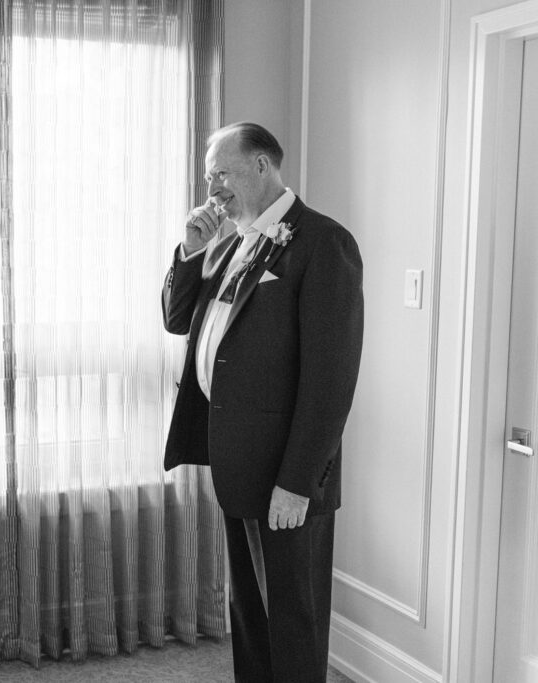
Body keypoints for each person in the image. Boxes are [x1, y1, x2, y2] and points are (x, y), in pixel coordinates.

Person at [162, 122, 363, 682]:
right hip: (237, 461)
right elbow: (177, 319)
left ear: (261, 167)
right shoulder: (230, 242)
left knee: (291, 620)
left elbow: (331, 380)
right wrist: (189, 249)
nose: (214, 190)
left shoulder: (324, 243)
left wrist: (298, 481)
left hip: (284, 473)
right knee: (248, 613)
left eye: (222, 174)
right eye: (208, 178)